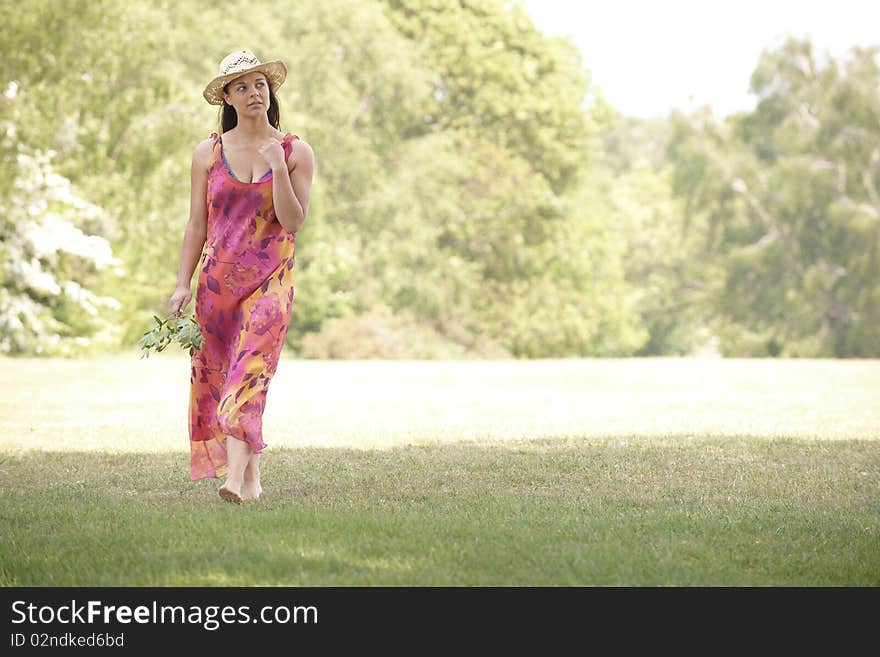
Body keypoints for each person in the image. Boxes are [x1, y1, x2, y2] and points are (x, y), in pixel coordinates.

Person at [168, 49, 315, 503]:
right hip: (216, 286)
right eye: (242, 86)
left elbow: (293, 221)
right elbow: (197, 224)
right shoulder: (207, 152)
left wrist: (275, 167)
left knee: (250, 372)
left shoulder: (295, 152)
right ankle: (251, 482)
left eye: (260, 85)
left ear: (269, 91)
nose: (254, 92)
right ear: (227, 98)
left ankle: (232, 481)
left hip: (271, 282)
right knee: (220, 376)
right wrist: (180, 283)